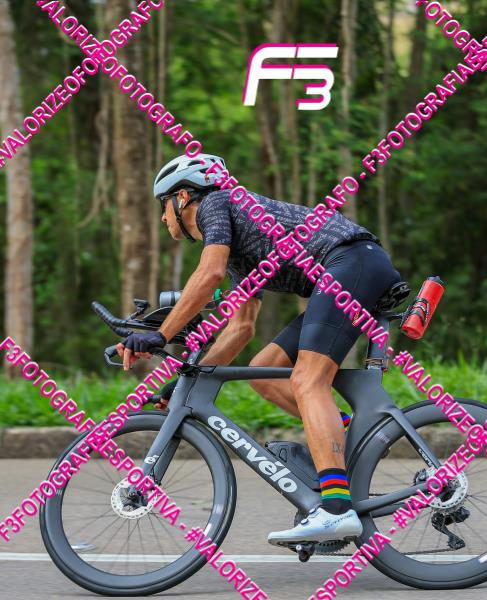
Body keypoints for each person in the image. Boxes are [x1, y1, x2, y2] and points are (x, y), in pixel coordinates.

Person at [116, 154, 401, 545]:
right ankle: (353, 437)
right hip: (348, 270)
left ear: (183, 197)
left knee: (308, 380)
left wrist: (162, 335)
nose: (163, 218)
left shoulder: (217, 202)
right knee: (265, 371)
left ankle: (336, 509)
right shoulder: (238, 247)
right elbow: (241, 328)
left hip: (351, 263)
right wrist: (189, 380)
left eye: (162, 206)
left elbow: (208, 274)